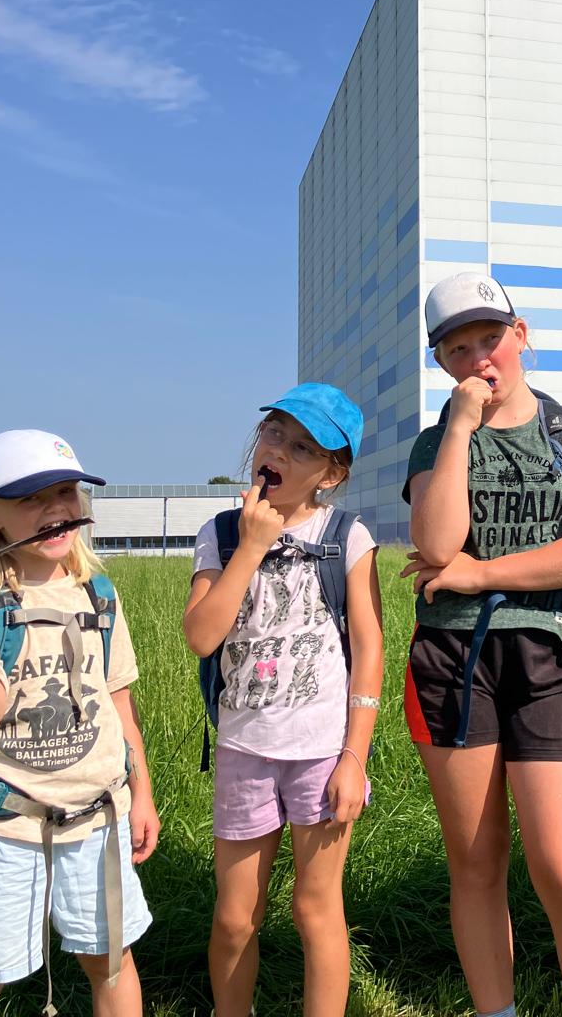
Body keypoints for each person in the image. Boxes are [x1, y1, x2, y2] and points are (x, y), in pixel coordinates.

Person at [400, 270, 562, 1017]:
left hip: (546, 655)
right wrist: (460, 429)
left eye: (490, 339)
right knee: (476, 861)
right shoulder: (435, 442)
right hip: (452, 658)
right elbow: (437, 544)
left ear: (520, 336)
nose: (479, 360)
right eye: (457, 349)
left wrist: (482, 573)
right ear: (440, 362)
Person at [0, 429, 158, 1017]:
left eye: (65, 493)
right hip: (9, 825)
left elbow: (120, 706)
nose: (56, 509)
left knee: (112, 963)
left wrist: (142, 795)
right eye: (32, 498)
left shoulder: (97, 593)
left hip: (100, 818)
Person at [183, 384, 383, 1017]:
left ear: (331, 474)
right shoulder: (220, 533)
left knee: (315, 909)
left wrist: (355, 756)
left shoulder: (346, 536)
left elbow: (369, 651)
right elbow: (201, 636)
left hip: (322, 753)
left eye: (303, 448)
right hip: (244, 748)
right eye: (274, 433)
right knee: (235, 917)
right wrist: (250, 546)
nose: (279, 452)